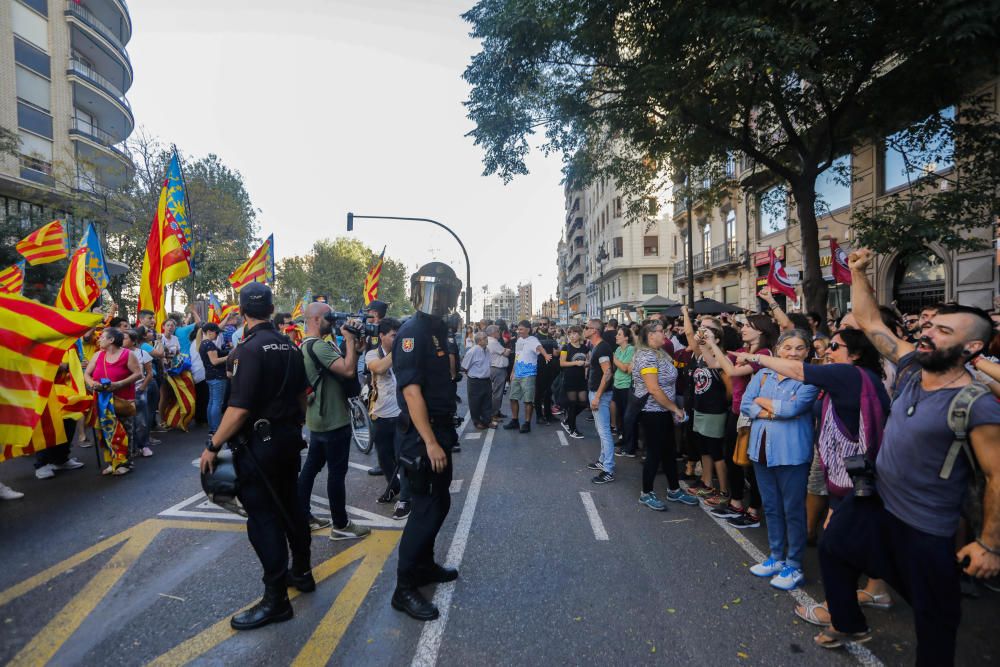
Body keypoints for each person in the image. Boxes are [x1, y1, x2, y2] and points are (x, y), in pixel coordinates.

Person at [815, 249, 1000, 661]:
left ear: (971, 346)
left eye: (943, 330)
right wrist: (859, 273)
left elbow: (997, 476)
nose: (928, 332)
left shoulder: (976, 403)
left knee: (935, 622)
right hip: (879, 504)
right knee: (833, 546)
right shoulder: (914, 365)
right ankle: (848, 622)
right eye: (930, 325)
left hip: (926, 529)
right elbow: (869, 321)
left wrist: (989, 544)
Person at [199, 282, 313, 631]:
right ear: (271, 308)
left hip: (260, 445)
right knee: (291, 506)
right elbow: (302, 399)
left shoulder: (250, 349)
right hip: (288, 439)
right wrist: (291, 428)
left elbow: (238, 409)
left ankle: (276, 599)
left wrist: (213, 445)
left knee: (263, 519)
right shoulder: (290, 346)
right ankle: (302, 573)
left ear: (243, 310)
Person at [390, 262, 463, 621]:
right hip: (422, 437)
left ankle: (423, 566)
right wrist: (430, 442)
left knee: (440, 501)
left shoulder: (438, 329)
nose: (441, 299)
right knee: (424, 508)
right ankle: (404, 588)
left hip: (439, 430)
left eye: (446, 292)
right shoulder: (412, 331)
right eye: (436, 291)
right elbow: (412, 392)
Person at [740, 329, 820, 590]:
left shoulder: (810, 379)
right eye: (788, 348)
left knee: (793, 510)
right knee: (771, 507)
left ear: (807, 352)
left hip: (792, 453)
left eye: (799, 348)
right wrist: (773, 409)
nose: (793, 353)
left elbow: (794, 409)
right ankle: (776, 557)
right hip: (761, 450)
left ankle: (794, 564)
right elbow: (745, 403)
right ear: (777, 350)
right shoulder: (763, 374)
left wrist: (764, 405)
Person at [298, 302, 371, 540]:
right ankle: (340, 525)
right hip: (332, 420)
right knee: (336, 474)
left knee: (310, 468)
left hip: (318, 419)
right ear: (317, 320)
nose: (334, 322)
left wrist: (355, 346)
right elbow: (349, 371)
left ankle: (302, 516)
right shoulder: (318, 346)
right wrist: (349, 339)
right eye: (330, 317)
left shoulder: (306, 345)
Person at [703, 313, 779, 527]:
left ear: (761, 331)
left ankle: (754, 511)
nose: (742, 329)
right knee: (731, 458)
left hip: (754, 415)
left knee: (753, 464)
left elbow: (733, 371)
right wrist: (705, 345)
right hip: (737, 412)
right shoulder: (743, 351)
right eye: (743, 325)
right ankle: (736, 503)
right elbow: (712, 364)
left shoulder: (764, 354)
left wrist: (713, 344)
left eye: (748, 326)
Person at [632, 322, 698, 510]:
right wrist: (675, 408)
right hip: (652, 412)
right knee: (654, 452)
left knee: (669, 451)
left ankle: (674, 490)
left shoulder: (659, 352)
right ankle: (646, 493)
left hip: (663, 411)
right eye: (661, 331)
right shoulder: (646, 357)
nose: (665, 334)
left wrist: (671, 408)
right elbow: (653, 388)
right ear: (650, 336)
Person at [365, 318, 410, 520]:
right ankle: (393, 487)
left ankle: (405, 499)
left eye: (399, 335)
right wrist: (398, 350)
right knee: (384, 458)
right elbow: (380, 368)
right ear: (381, 336)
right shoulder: (372, 354)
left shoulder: (406, 353)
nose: (397, 339)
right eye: (394, 335)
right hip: (380, 414)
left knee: (404, 457)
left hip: (403, 414)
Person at [85, 327, 142, 475]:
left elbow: (138, 374)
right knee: (104, 432)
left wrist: (119, 384)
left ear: (111, 340)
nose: (99, 339)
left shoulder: (127, 354)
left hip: (122, 401)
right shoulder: (97, 355)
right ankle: (112, 462)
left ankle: (125, 463)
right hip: (102, 402)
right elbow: (87, 374)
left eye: (102, 337)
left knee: (124, 432)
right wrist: (92, 384)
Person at [503, 320, 552, 433]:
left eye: (521, 329)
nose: (518, 331)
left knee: (528, 400)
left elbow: (540, 348)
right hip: (517, 373)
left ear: (528, 329)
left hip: (529, 374)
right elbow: (517, 356)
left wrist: (545, 355)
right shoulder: (519, 340)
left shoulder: (533, 340)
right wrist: (512, 372)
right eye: (518, 329)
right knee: (513, 398)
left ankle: (527, 423)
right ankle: (515, 421)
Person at [584, 318, 616, 484]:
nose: (584, 329)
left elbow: (608, 372)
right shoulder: (598, 347)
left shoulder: (602, 347)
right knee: (601, 429)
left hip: (600, 394)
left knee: (604, 432)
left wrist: (597, 396)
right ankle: (603, 460)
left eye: (586, 327)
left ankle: (608, 469)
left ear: (594, 331)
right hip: (597, 392)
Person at [123, 329, 154, 458]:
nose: (122, 340)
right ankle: (132, 447)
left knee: (141, 421)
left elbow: (149, 373)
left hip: (138, 390)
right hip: (124, 391)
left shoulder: (143, 353)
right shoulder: (120, 353)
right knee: (127, 422)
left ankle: (144, 445)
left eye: (125, 338)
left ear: (133, 340)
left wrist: (142, 387)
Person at [199, 323, 229, 436]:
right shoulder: (209, 344)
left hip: (210, 376)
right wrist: (229, 356)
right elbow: (214, 361)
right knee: (216, 403)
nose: (217, 335)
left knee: (212, 402)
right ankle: (215, 429)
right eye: (216, 332)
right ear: (209, 332)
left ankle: (212, 428)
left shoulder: (203, 343)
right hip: (218, 376)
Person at [559, 325, 588, 439]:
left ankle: (568, 420)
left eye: (574, 333)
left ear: (580, 334)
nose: (572, 336)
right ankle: (572, 429)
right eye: (570, 333)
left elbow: (587, 360)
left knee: (583, 402)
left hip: (581, 378)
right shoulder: (566, 347)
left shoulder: (584, 347)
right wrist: (576, 363)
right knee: (572, 404)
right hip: (570, 378)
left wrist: (586, 365)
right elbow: (562, 363)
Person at [612, 325, 636, 457]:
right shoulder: (617, 349)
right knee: (620, 415)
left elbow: (625, 368)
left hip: (626, 386)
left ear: (626, 337)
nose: (616, 336)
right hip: (617, 385)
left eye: (619, 334)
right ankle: (623, 439)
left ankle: (630, 447)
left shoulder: (631, 349)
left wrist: (614, 359)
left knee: (628, 417)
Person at [462, 331, 494, 429]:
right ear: (479, 341)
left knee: (487, 402)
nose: (487, 339)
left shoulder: (487, 350)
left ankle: (487, 421)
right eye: (485, 338)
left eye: (486, 337)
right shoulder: (472, 351)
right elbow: (464, 367)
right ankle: (477, 422)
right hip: (475, 381)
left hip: (486, 380)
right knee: (475, 403)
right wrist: (472, 376)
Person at [533, 317, 559, 425]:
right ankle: (539, 416)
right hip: (539, 368)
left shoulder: (551, 337)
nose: (542, 326)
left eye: (544, 324)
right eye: (541, 324)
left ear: (548, 325)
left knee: (549, 392)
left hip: (550, 368)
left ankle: (549, 415)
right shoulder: (534, 338)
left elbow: (556, 353)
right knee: (539, 393)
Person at [485, 324, 510, 423]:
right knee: (497, 393)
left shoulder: (491, 341)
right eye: (497, 331)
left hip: (494, 368)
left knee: (496, 392)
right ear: (493, 333)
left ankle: (496, 411)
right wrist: (507, 350)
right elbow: (505, 352)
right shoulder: (493, 342)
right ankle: (494, 414)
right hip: (497, 369)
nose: (499, 333)